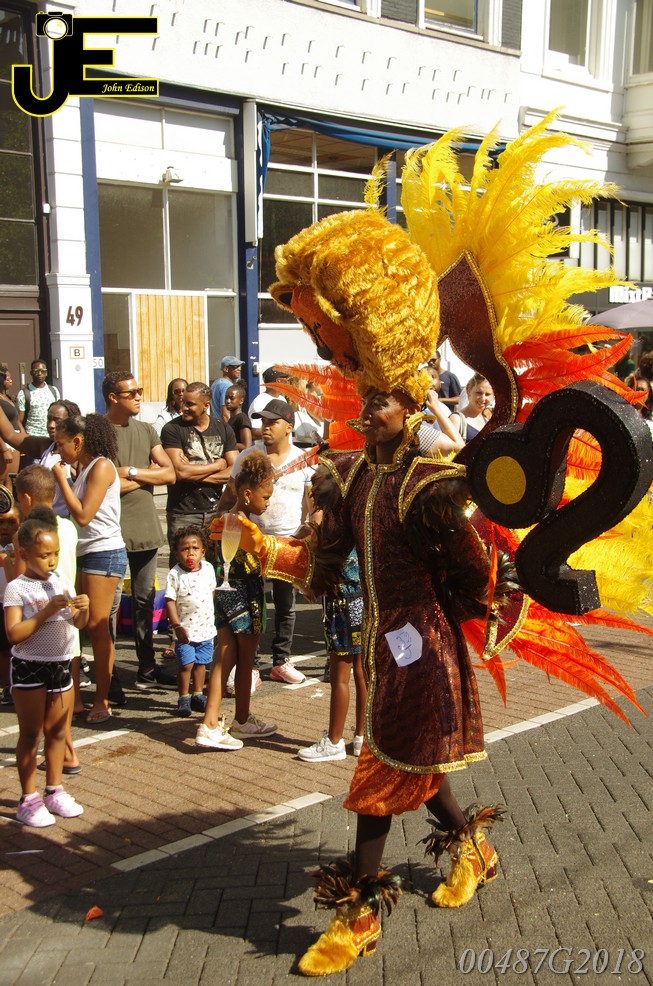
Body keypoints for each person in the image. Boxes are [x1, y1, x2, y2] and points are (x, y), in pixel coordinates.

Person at [218, 399, 315, 684]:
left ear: (289, 427)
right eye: (263, 422)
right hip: (249, 541)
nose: (266, 427)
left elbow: (313, 504)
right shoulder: (248, 455)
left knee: (286, 605)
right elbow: (229, 496)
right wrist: (222, 523)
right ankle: (250, 665)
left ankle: (280, 661)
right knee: (252, 603)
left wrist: (309, 531)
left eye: (273, 422)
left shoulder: (305, 460)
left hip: (287, 541)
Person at [5, 507, 89, 827]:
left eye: (55, 554)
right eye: (44, 556)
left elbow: (78, 623)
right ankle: (28, 799)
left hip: (60, 665)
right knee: (31, 733)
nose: (52, 561)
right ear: (25, 554)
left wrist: (84, 608)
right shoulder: (17, 588)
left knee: (58, 731)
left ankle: (54, 790)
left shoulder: (61, 581)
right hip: (29, 665)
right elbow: (14, 634)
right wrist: (44, 613)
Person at [196, 449, 276, 750]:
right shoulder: (242, 525)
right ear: (247, 494)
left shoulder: (225, 518)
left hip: (225, 595)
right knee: (236, 659)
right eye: (265, 497)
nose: (268, 503)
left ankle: (235, 719)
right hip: (245, 595)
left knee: (229, 656)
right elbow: (259, 558)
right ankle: (214, 723)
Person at [103, 371, 177, 693]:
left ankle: (147, 667)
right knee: (110, 607)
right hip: (111, 531)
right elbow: (104, 485)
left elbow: (170, 474)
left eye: (140, 390)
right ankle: (108, 675)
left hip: (146, 528)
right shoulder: (98, 432)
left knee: (145, 601)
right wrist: (148, 475)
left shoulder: (147, 430)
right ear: (112, 397)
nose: (138, 396)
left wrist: (131, 472)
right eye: (131, 392)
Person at [51, 413, 127, 724]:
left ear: (78, 441)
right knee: (78, 623)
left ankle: (102, 700)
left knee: (97, 626)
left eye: (61, 444)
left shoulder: (102, 466)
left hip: (104, 553)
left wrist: (61, 479)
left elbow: (83, 515)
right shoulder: (84, 469)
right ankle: (77, 700)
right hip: (84, 552)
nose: (58, 450)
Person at [13, 466, 82, 772]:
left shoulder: (28, 533)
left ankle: (66, 755)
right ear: (53, 496)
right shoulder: (67, 527)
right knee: (60, 697)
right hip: (68, 621)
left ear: (26, 498)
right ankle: (66, 754)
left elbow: (20, 580)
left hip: (42, 624)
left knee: (47, 704)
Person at [298, 548, 366, 762]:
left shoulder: (337, 531)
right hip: (363, 598)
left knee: (340, 677)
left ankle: (334, 741)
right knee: (362, 672)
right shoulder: (364, 528)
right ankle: (362, 737)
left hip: (341, 600)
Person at [161, 381, 238, 541]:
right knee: (184, 557)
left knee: (217, 557)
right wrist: (218, 465)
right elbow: (180, 472)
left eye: (189, 404)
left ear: (206, 405)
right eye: (183, 403)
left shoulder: (223, 429)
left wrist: (192, 473)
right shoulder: (172, 430)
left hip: (216, 510)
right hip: (183, 513)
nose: (183, 408)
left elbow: (235, 472)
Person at [165, 525, 215, 718]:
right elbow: (170, 601)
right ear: (177, 554)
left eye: (195, 548)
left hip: (205, 629)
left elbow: (211, 593)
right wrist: (176, 625)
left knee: (202, 664)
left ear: (203, 551)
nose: (190, 553)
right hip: (185, 630)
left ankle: (198, 694)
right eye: (185, 549)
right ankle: (184, 697)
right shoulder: (175, 574)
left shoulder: (208, 569)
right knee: (186, 664)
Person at [37, 400, 81, 517]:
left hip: (65, 520)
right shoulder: (48, 447)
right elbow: (10, 435)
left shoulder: (78, 456)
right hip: (45, 518)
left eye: (57, 421)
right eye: (49, 419)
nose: (51, 425)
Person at [0, 501, 20, 706]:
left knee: (16, 646)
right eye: (1, 522)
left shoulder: (23, 549)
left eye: (11, 522)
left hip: (16, 605)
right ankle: (7, 684)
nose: (5, 527)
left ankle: (17, 682)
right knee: (3, 649)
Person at [16, 359, 60, 437]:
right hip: (32, 436)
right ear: (31, 373)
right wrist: (23, 435)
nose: (39, 374)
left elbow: (58, 414)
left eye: (43, 371)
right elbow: (19, 420)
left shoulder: (54, 391)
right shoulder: (24, 393)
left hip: (51, 436)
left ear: (46, 373)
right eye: (36, 371)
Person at [247, 367, 290, 440]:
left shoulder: (282, 399)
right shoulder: (260, 401)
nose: (288, 382)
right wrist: (278, 433)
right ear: (278, 381)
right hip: (266, 447)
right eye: (287, 379)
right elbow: (254, 432)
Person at [449, 373, 494, 443]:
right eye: (479, 393)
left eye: (487, 394)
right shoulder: (456, 419)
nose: (483, 398)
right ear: (469, 391)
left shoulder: (487, 419)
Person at [0, 363, 20, 484]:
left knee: (11, 480)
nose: (11, 381)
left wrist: (23, 441)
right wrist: (4, 450)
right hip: (4, 443)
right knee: (2, 482)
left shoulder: (7, 397)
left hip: (14, 441)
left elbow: (17, 421)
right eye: (8, 378)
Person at [222, 382, 253, 451]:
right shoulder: (232, 419)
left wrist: (225, 444)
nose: (228, 401)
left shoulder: (242, 418)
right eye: (226, 398)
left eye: (232, 398)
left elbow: (246, 446)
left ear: (241, 400)